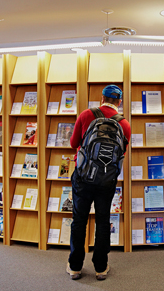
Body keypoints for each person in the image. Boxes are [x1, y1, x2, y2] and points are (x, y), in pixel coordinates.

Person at [66, 84, 131, 281]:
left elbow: (73, 143)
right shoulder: (124, 124)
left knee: (79, 220)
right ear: (119, 102)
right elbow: (122, 153)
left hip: (83, 177)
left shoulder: (86, 115)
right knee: (103, 221)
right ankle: (101, 268)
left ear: (101, 98)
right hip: (106, 180)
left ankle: (75, 267)